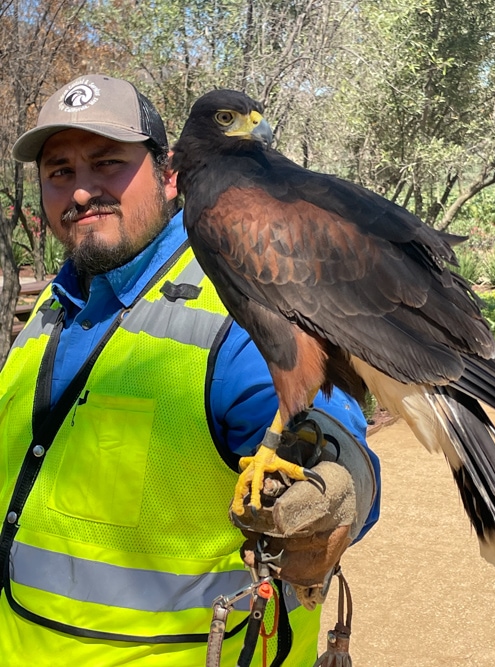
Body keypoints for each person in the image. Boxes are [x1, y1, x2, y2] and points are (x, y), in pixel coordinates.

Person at [0, 74, 380, 666]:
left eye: (107, 164)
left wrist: (339, 483)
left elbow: (326, 432)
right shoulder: (52, 308)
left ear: (170, 174)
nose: (81, 193)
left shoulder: (232, 301)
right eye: (60, 172)